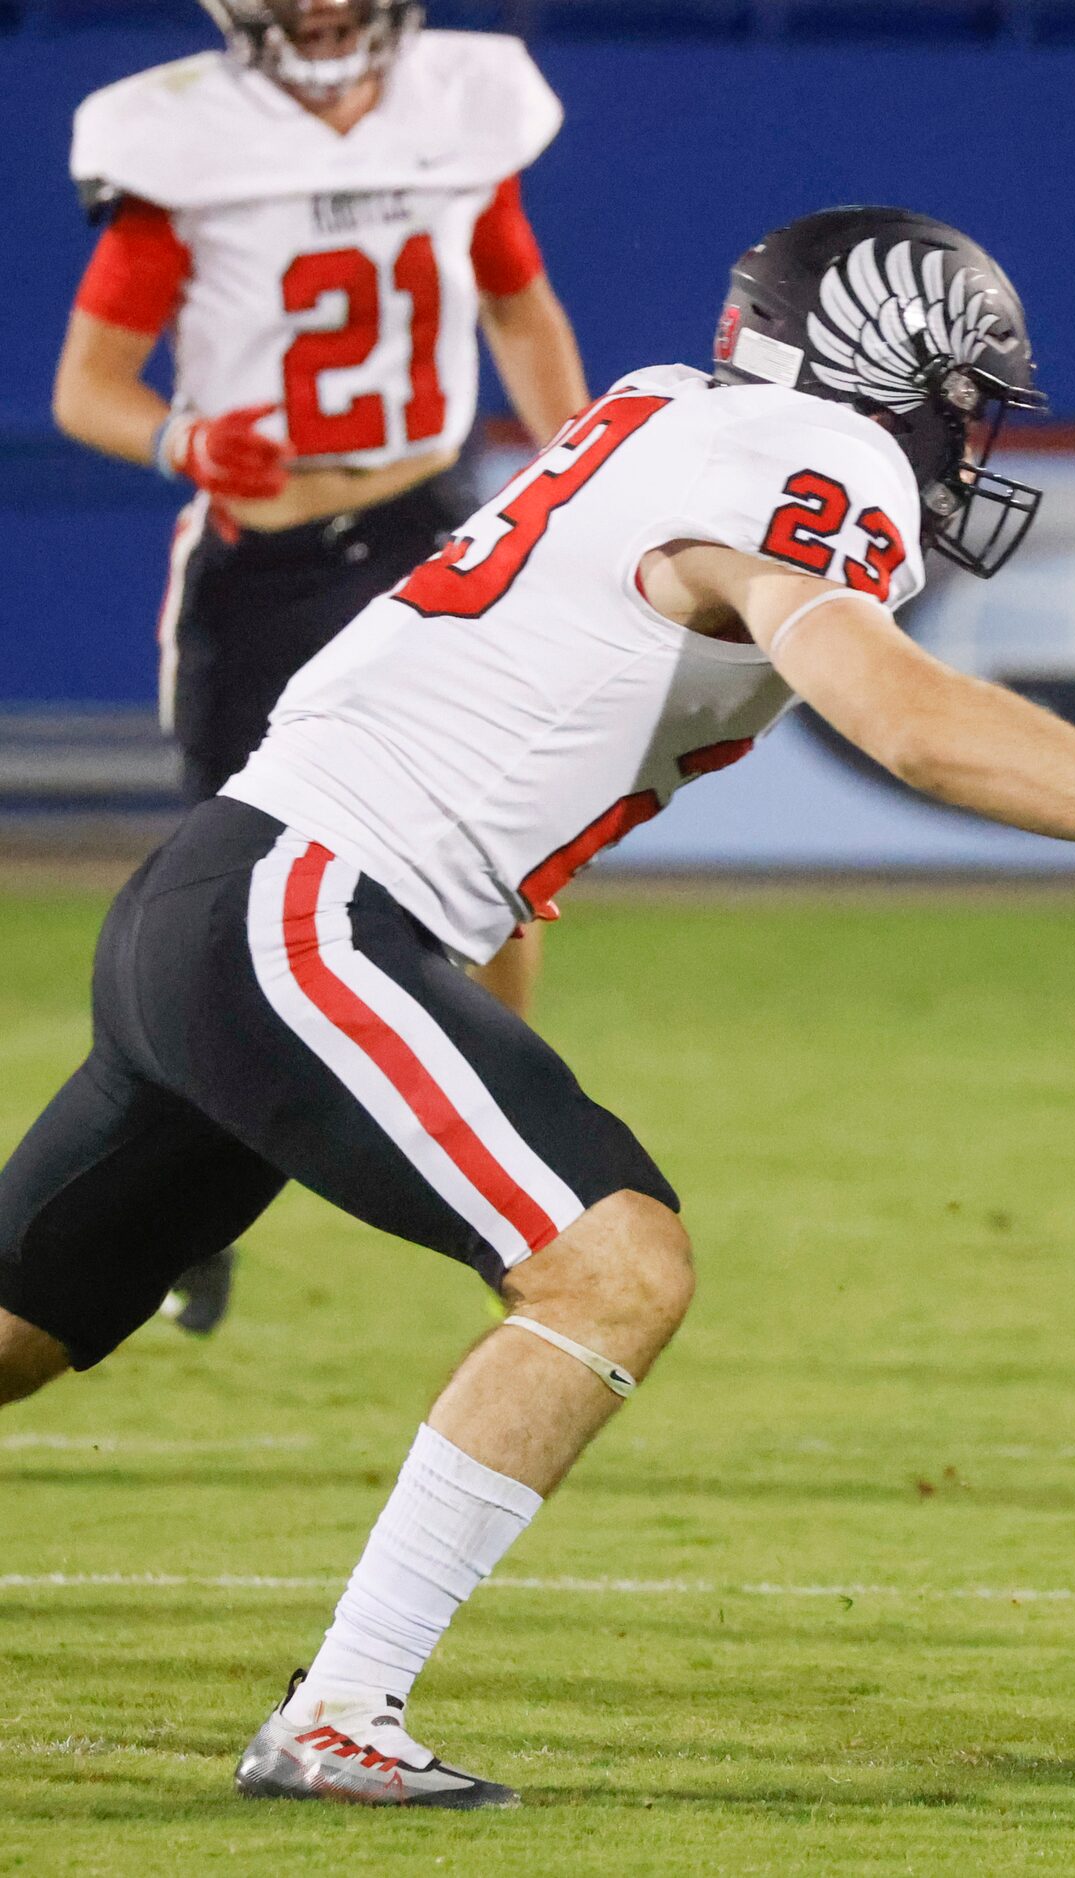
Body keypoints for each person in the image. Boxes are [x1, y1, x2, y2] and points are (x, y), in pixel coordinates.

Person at [0, 207, 1075, 1808]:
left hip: (228, 900)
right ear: (879, 366)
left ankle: (341, 1711)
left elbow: (531, 800)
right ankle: (340, 1713)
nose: (968, 438)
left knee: (18, 1333)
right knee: (615, 1269)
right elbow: (902, 722)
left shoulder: (679, 413)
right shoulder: (815, 461)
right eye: (961, 395)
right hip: (307, 912)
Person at [56, 0, 591, 1331]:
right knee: (216, 913)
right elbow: (89, 385)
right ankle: (184, 1207)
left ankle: (522, 1180)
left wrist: (584, 470)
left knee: (501, 861)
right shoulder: (177, 144)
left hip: (429, 534)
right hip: (267, 555)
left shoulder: (461, 112)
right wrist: (184, 440)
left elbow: (521, 308)